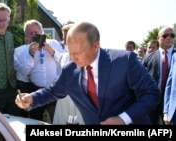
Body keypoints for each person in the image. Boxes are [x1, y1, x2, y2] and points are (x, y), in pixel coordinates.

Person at [15, 21, 160, 125]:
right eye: (70, 52)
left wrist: (124, 119)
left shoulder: (124, 61)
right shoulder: (70, 69)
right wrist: (32, 98)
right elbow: (54, 91)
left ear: (96, 46)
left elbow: (151, 94)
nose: (72, 58)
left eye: (77, 53)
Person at [14, 19, 65, 122]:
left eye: (36, 32)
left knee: (56, 120)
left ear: (42, 32)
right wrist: (31, 54)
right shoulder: (22, 51)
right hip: (35, 90)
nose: (33, 35)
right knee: (35, 121)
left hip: (54, 90)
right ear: (27, 36)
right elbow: (24, 72)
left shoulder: (54, 43)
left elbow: (64, 61)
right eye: (30, 33)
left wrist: (52, 51)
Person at [142, 26, 176, 124]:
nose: (169, 38)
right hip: (151, 100)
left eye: (172, 35)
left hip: (171, 103)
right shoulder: (148, 58)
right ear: (158, 38)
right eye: (165, 36)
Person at [52, 22, 84, 124]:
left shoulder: (86, 55)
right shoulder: (63, 57)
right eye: (64, 37)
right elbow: (58, 77)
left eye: (68, 37)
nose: (65, 40)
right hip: (63, 100)